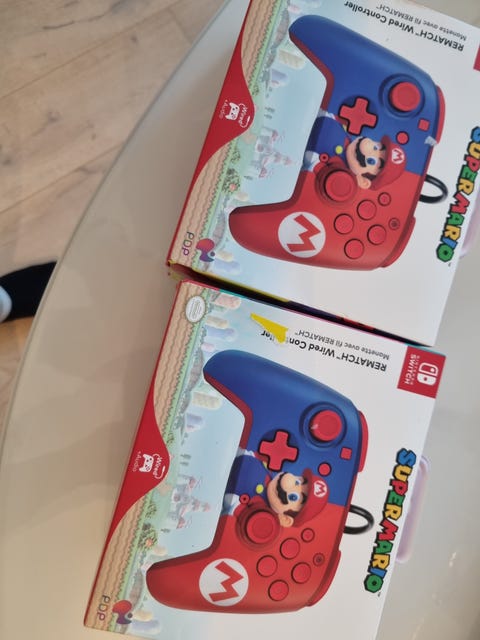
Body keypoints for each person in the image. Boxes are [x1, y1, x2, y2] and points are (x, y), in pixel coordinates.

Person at [223, 448, 329, 528]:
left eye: (293, 497)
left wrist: (234, 506)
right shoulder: (268, 469)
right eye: (298, 481)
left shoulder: (257, 508)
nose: (290, 481)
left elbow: (231, 509)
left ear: (285, 519)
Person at [303, 110, 406, 190]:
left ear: (363, 181)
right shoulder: (347, 133)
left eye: (372, 161)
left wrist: (314, 164)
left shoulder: (335, 168)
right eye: (377, 147)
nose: (369, 148)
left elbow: (311, 170)